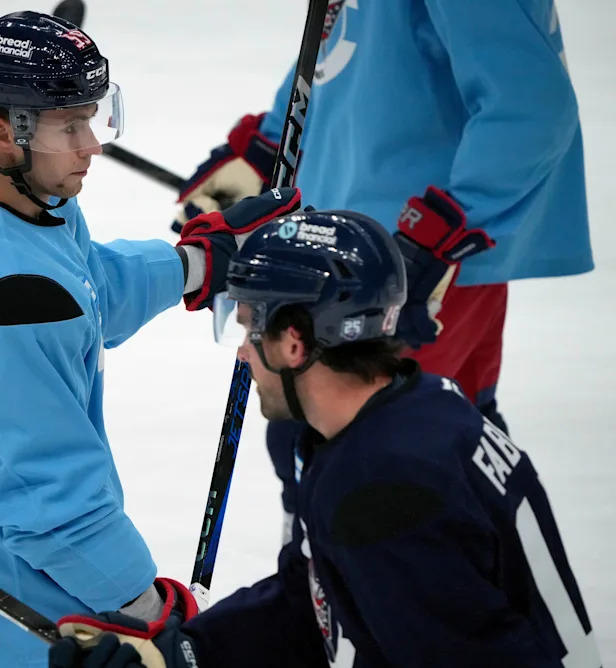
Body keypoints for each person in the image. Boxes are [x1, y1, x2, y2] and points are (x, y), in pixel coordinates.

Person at [0, 10, 302, 666]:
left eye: (95, 118)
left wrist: (202, 262)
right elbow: (52, 505)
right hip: (21, 627)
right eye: (71, 126)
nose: (93, 144)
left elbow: (85, 286)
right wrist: (151, 613)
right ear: (3, 133)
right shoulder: (6, 299)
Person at [49, 211, 601, 667]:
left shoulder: (383, 493)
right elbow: (310, 599)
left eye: (247, 328)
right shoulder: (411, 410)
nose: (243, 352)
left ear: (294, 342)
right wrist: (186, 653)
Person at [173, 0, 593, 544]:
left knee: (372, 451)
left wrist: (441, 232)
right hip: (344, 247)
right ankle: (332, 607)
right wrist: (267, 148)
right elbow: (336, 54)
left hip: (407, 268)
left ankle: (379, 612)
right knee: (386, 446)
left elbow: (530, 106)